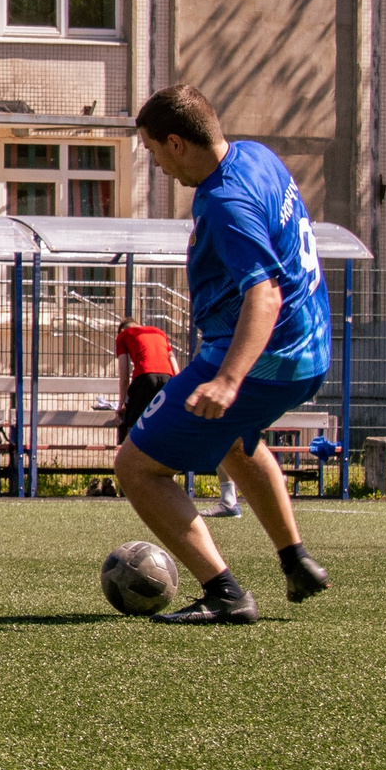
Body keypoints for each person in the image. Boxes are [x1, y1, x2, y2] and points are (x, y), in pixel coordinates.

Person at [115, 84, 333, 625]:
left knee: (136, 467)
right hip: (310, 348)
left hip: (262, 357)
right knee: (231, 441)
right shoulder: (257, 156)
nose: (158, 166)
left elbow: (264, 292)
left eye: (153, 151)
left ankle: (225, 593)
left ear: (176, 142)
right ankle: (296, 560)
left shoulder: (223, 201)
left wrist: (229, 378)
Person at [114, 316, 233, 513]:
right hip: (168, 378)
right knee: (163, 428)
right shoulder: (158, 333)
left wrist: (122, 403)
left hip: (144, 378)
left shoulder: (124, 335)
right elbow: (175, 368)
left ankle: (133, 484)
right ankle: (169, 478)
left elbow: (124, 373)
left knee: (134, 431)